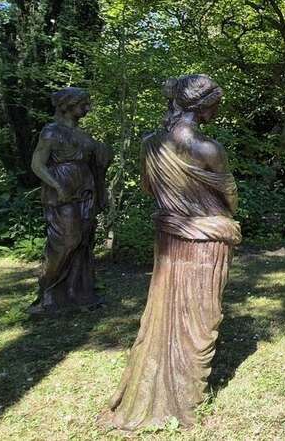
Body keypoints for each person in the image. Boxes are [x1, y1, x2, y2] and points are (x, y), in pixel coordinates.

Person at [103, 75, 240, 430]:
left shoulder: (151, 145)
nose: (218, 109)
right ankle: (181, 398)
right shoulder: (210, 149)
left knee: (165, 309)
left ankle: (161, 389)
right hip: (207, 240)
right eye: (216, 102)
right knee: (200, 315)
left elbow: (151, 188)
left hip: (170, 236)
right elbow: (230, 198)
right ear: (203, 104)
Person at [28, 87, 111, 315]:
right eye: (83, 104)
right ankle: (48, 291)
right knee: (66, 241)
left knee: (83, 242)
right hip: (62, 193)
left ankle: (76, 291)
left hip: (86, 192)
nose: (88, 108)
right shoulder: (52, 132)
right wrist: (57, 185)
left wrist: (103, 156)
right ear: (67, 105)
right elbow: (37, 164)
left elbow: (98, 163)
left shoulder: (84, 136)